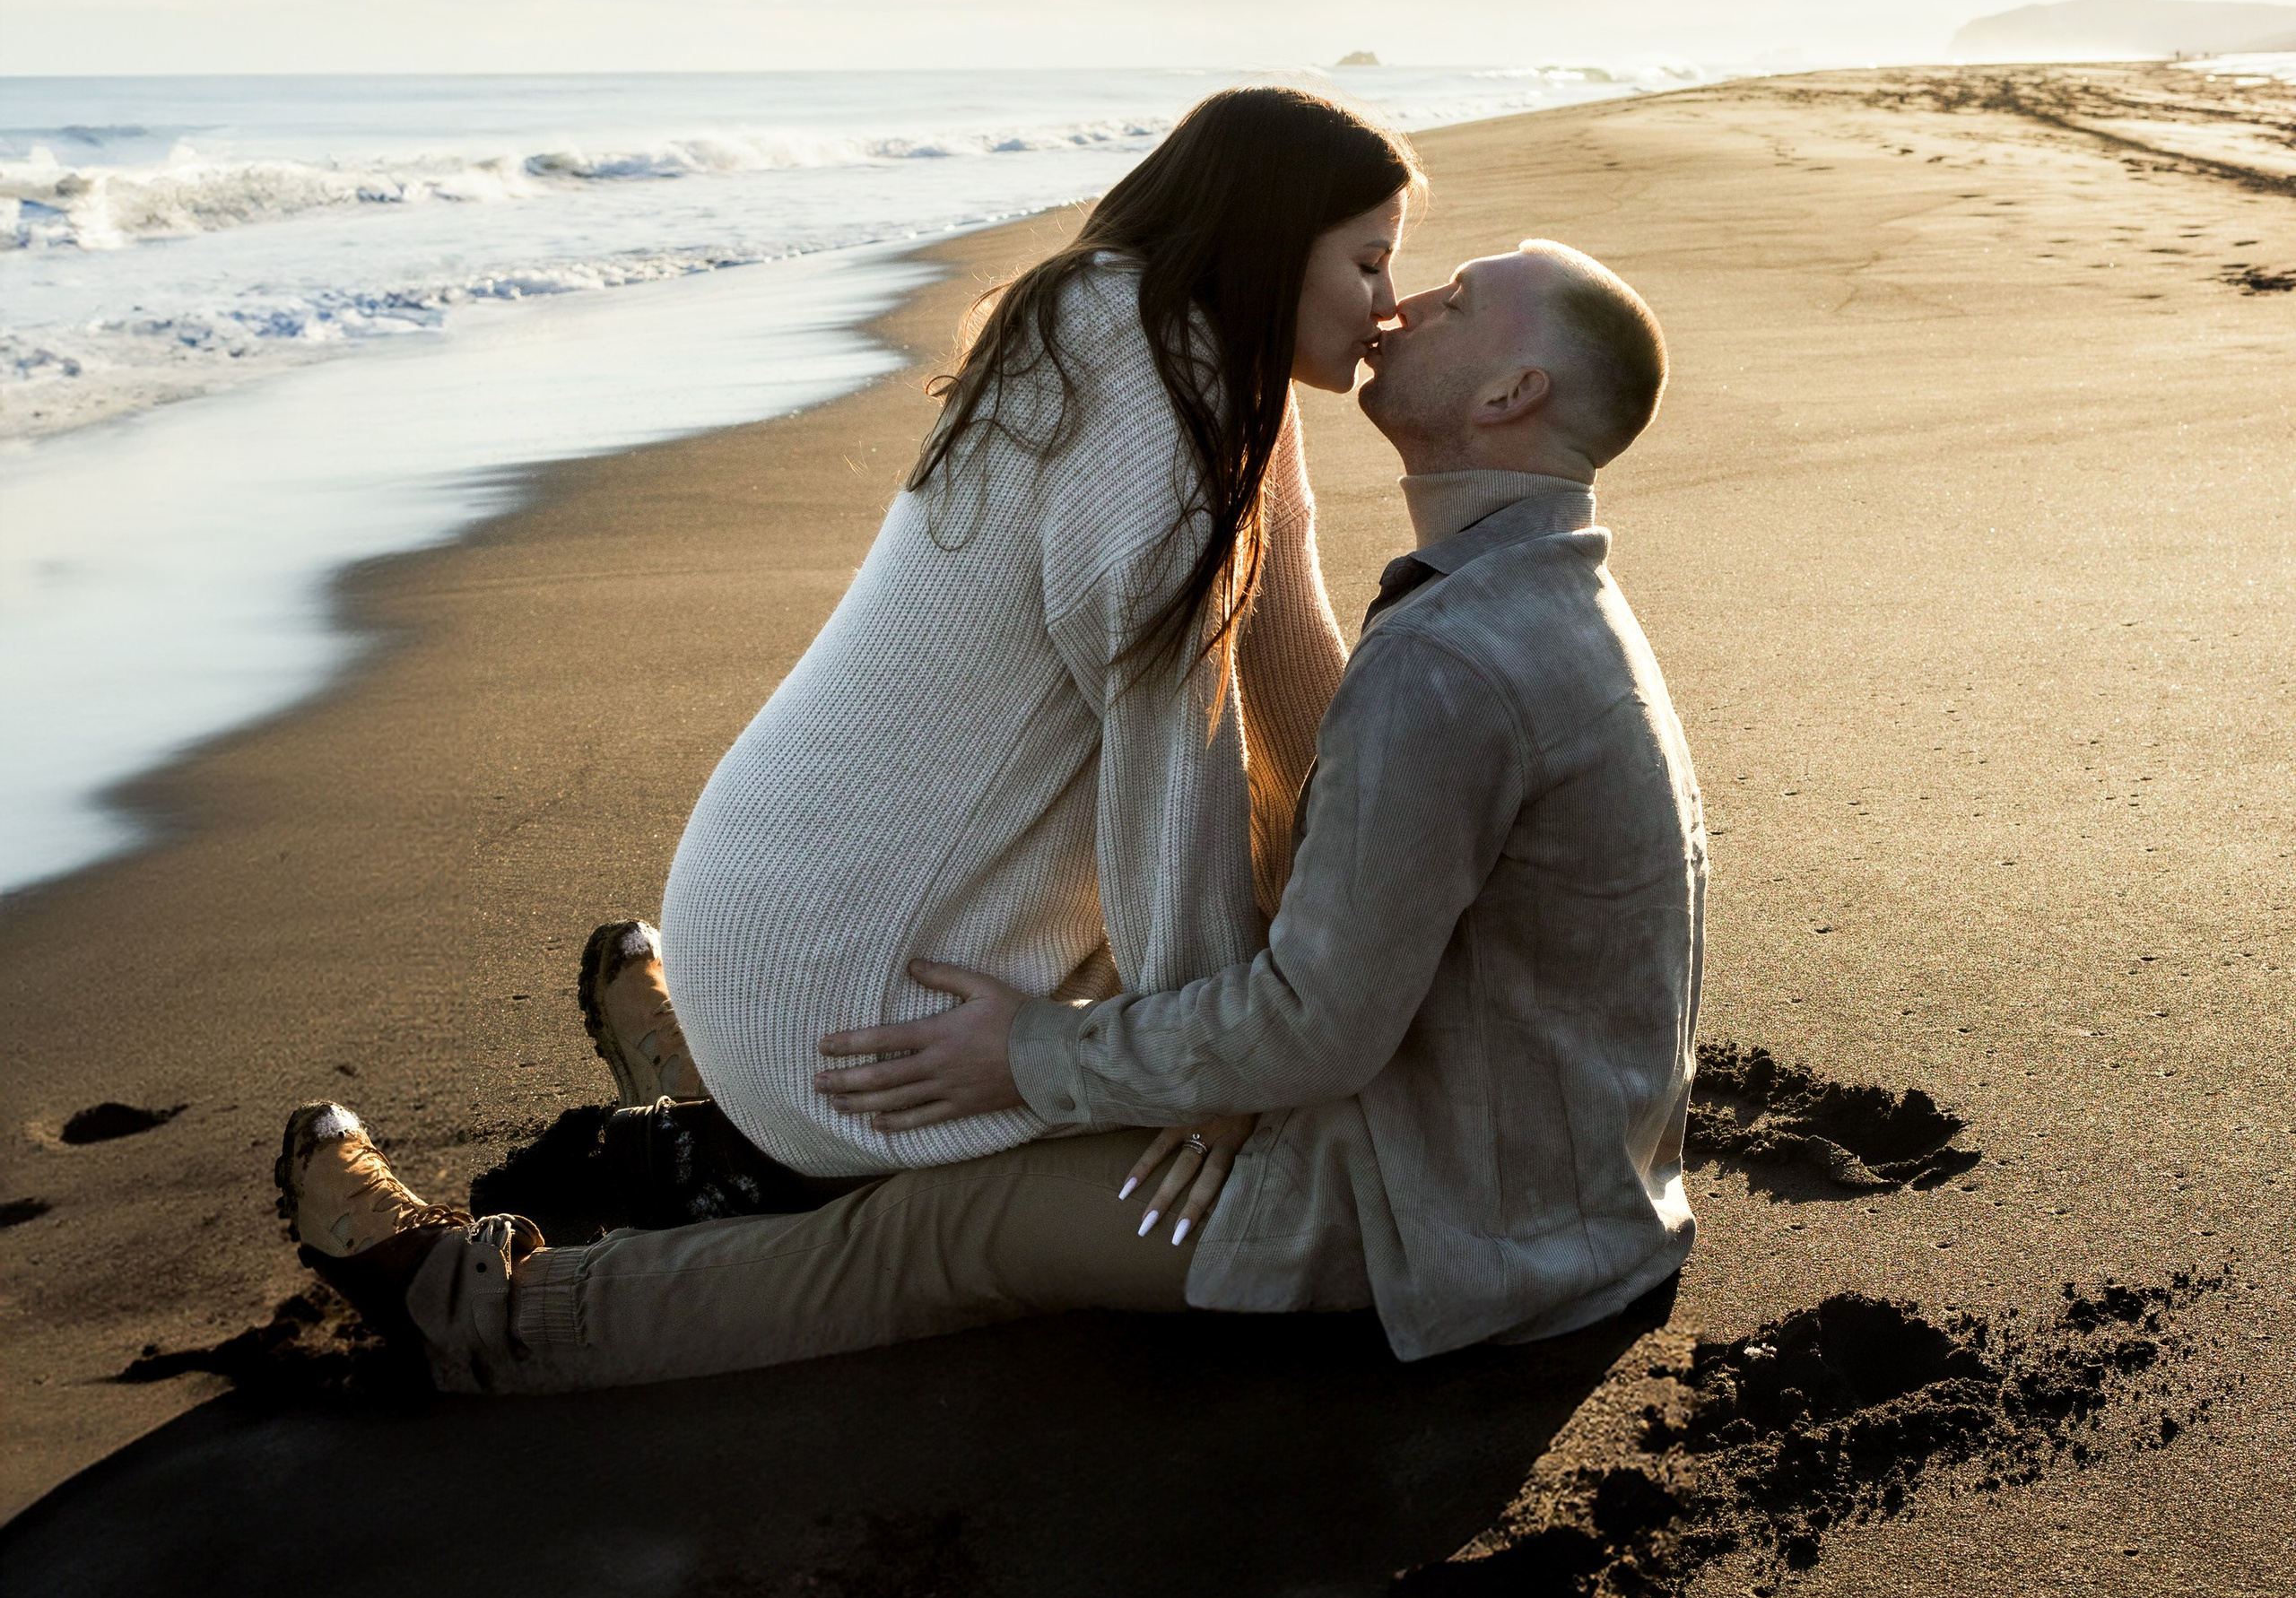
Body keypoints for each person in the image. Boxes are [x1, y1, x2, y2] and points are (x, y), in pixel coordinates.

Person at [277, 237, 1704, 1389]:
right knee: (1017, 1065)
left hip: (1439, 1217)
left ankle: (478, 1311)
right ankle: (715, 1106)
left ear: (1511, 394)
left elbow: (1317, 1029)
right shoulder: (1528, 601)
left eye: (1453, 300)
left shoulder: (1454, 666)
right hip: (1517, 1161)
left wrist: (1031, 1050)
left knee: (940, 1230)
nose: (1405, 305)